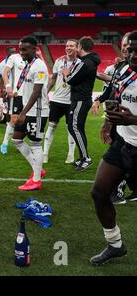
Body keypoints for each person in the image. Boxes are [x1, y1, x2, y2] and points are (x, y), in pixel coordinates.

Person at [89, 30, 137, 265]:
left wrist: (133, 120)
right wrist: (109, 123)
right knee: (99, 192)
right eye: (131, 50)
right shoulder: (124, 71)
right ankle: (115, 244)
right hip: (124, 143)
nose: (133, 55)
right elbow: (117, 97)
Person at [11, 36, 50, 191]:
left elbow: (36, 91)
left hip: (38, 112)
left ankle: (36, 180)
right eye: (20, 49)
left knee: (35, 144)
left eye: (25, 49)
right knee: (17, 139)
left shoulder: (39, 66)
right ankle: (37, 168)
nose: (21, 52)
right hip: (27, 110)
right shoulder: (28, 64)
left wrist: (23, 113)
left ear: (35, 49)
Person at [62, 36, 100, 171]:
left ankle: (86, 158)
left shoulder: (85, 62)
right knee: (77, 128)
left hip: (80, 100)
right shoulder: (90, 62)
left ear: (80, 47)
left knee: (74, 127)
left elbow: (71, 80)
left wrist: (66, 74)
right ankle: (83, 157)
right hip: (82, 99)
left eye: (77, 46)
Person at [43, 39, 80, 164]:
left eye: (71, 46)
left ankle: (70, 155)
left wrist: (68, 75)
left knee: (71, 128)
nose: (68, 48)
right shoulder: (59, 61)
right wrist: (46, 92)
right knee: (51, 126)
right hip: (57, 100)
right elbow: (53, 79)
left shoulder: (80, 63)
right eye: (67, 46)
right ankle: (45, 154)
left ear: (77, 48)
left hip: (71, 101)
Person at [0, 46, 25, 155]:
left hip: (29, 95)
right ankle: (4, 143)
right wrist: (8, 86)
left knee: (25, 120)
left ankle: (19, 142)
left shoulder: (34, 60)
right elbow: (4, 72)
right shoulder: (14, 57)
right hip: (16, 93)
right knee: (14, 119)